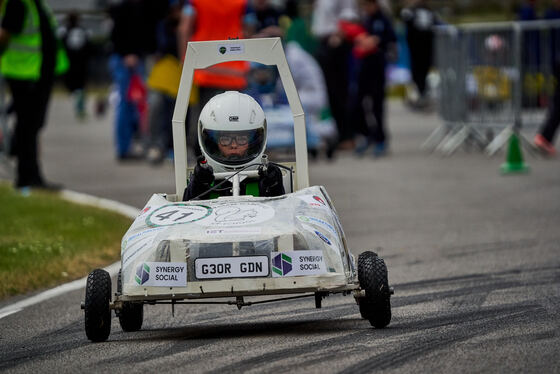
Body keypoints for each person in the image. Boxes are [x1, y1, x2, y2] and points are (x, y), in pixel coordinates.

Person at [0, 0, 69, 189]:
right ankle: (27, 177)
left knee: (32, 126)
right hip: (25, 73)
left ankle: (32, 175)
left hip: (37, 72)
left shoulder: (34, 4)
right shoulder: (19, 4)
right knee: (27, 127)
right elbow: (4, 34)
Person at [178, 0, 253, 156]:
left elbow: (184, 28)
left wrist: (184, 57)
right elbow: (249, 29)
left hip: (205, 66)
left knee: (203, 117)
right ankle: (233, 156)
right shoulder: (242, 3)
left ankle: (201, 155)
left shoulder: (194, 3)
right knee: (235, 117)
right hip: (235, 66)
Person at [184, 91, 284, 200]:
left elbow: (283, 211)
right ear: (213, 142)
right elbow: (186, 209)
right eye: (225, 139)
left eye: (241, 139)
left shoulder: (265, 179)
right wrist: (198, 184)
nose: (234, 145)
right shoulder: (203, 179)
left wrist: (275, 186)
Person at [108, 0, 166, 161]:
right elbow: (117, 34)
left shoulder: (141, 7)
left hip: (135, 58)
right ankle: (123, 148)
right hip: (126, 59)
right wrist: (127, 53)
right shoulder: (125, 8)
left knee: (137, 105)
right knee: (126, 104)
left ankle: (133, 144)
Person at [353, 0, 397, 157]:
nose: (366, 8)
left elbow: (391, 38)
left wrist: (376, 41)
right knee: (357, 103)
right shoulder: (365, 20)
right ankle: (366, 135)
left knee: (377, 105)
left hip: (377, 67)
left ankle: (380, 139)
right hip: (364, 67)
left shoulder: (383, 20)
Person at [401, 0, 439, 108]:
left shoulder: (428, 11)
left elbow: (435, 24)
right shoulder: (410, 11)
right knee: (417, 73)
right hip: (417, 49)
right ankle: (420, 94)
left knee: (423, 73)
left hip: (424, 49)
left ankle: (423, 95)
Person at [58, 12, 90, 119]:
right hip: (81, 63)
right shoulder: (83, 31)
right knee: (80, 86)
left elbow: (60, 45)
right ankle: (79, 101)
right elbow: (89, 46)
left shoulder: (64, 31)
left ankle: (77, 98)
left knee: (73, 85)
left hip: (70, 62)